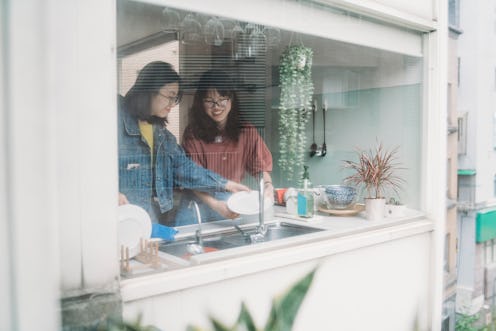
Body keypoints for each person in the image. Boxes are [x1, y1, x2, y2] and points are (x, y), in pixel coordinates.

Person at [118, 61, 249, 239]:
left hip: (148, 219)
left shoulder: (162, 134)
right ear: (150, 90)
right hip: (119, 220)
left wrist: (225, 184)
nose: (173, 103)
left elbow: (184, 168)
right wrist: (108, 192)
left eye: (176, 98)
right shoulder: (115, 119)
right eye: (170, 96)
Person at [175, 69, 273, 226]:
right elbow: (192, 176)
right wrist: (215, 204)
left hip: (231, 204)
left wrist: (267, 186)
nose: (217, 107)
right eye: (209, 101)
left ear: (231, 99)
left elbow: (260, 167)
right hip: (197, 206)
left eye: (222, 99)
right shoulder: (193, 133)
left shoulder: (246, 131)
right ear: (201, 102)